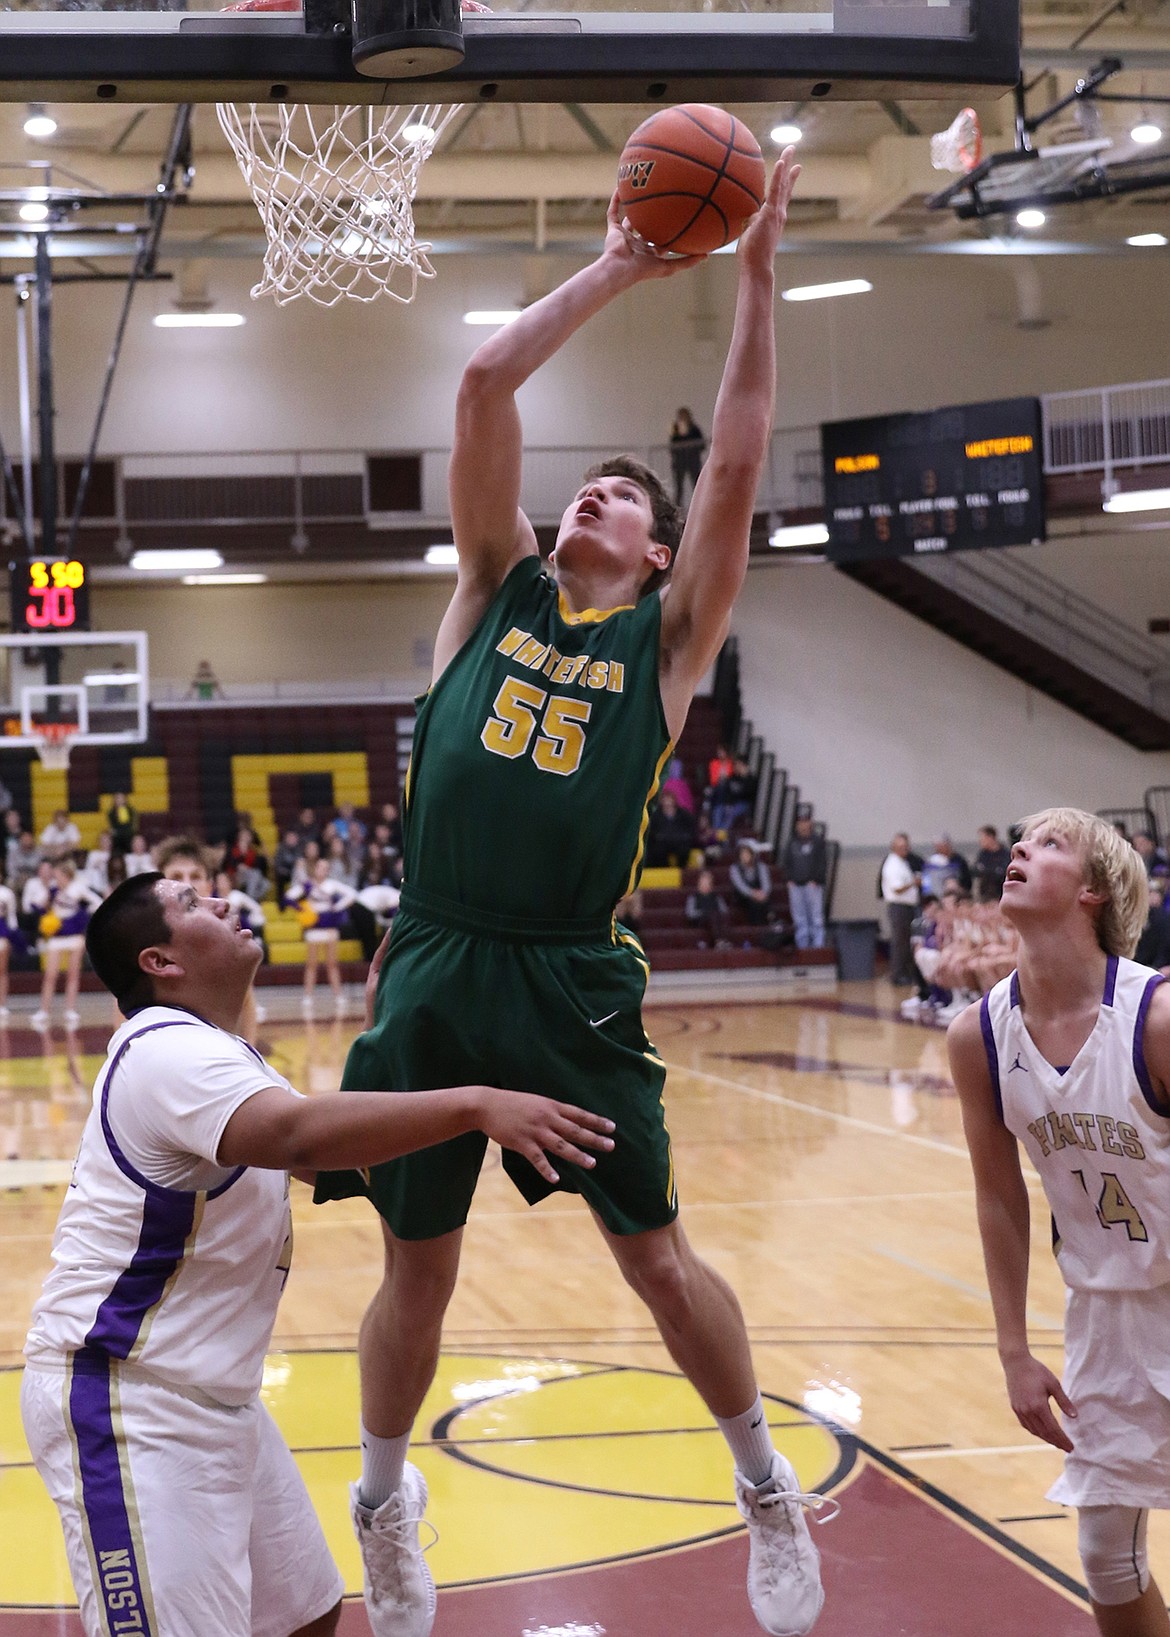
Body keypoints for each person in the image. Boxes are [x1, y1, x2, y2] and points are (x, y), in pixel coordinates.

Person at [314, 152, 836, 1637]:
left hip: (566, 976)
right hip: (435, 958)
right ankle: (380, 1498)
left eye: (623, 493)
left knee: (659, 1262)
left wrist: (751, 274)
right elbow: (483, 387)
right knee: (417, 1271)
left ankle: (758, 1485)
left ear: (659, 553)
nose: (594, 488)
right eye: (586, 482)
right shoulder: (492, 584)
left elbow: (732, 460)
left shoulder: (664, 651)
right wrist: (617, 266)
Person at [21, 871, 615, 1637]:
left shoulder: (220, 1055)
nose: (227, 903)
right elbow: (300, 1135)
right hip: (126, 1399)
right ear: (160, 961)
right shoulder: (163, 1054)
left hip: (214, 1397)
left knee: (305, 1614)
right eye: (195, 905)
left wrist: (387, 1030)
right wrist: (476, 1102)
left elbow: (340, 1164)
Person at [949, 807, 1170, 1637]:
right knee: (1108, 1554)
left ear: (1092, 891)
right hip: (1106, 1314)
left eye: (1049, 843)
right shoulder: (977, 1034)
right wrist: (1013, 1349)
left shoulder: (1154, 1019)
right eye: (1020, 838)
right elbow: (999, 1196)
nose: (1018, 848)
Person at [31, 860, 103, 1029]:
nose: (57, 879)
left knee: (73, 974)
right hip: (56, 937)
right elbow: (36, 905)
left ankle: (70, 1010)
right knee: (50, 975)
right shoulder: (53, 890)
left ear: (67, 875)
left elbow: (97, 902)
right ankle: (44, 1011)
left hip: (74, 937)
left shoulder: (78, 889)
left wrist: (82, 917)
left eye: (59, 876)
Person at [286, 856, 358, 1011]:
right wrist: (302, 909)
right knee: (311, 964)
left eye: (325, 868)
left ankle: (338, 995)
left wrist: (337, 907)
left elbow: (352, 894)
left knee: (332, 964)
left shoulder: (332, 885)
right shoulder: (308, 885)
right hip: (313, 927)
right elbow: (289, 897)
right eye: (320, 867)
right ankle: (308, 996)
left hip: (330, 927)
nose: (322, 870)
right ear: (315, 868)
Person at [782, 813, 827, 951]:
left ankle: (817, 946)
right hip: (795, 885)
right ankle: (803, 947)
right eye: (800, 823)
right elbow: (787, 862)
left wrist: (816, 879)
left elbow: (822, 863)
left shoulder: (817, 842)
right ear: (797, 825)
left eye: (805, 822)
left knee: (816, 918)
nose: (803, 826)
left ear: (810, 824)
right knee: (799, 918)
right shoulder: (792, 842)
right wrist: (789, 879)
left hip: (812, 885)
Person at [881, 832, 920, 986]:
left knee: (905, 941)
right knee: (900, 941)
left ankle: (905, 973)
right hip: (899, 907)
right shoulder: (893, 864)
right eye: (902, 847)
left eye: (907, 846)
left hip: (906, 906)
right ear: (894, 848)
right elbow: (897, 888)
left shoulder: (902, 862)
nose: (906, 849)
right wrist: (914, 883)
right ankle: (898, 975)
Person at [644, 788, 697, 869]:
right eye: (665, 799)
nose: (668, 802)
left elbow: (690, 827)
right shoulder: (656, 816)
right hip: (662, 843)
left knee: (684, 850)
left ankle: (682, 869)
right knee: (658, 851)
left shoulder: (683, 814)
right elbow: (652, 832)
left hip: (679, 841)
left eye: (669, 799)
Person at [669, 406, 706, 507]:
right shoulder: (675, 429)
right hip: (680, 462)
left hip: (693, 461)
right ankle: (678, 510)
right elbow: (672, 444)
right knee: (679, 487)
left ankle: (700, 507)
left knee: (697, 485)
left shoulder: (694, 429)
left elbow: (702, 445)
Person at [685, 867, 728, 948]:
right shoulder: (693, 897)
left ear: (711, 885)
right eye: (703, 883)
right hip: (699, 920)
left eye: (707, 883)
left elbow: (724, 911)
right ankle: (719, 941)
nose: (705, 885)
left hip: (716, 919)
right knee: (711, 916)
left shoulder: (717, 897)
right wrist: (704, 912)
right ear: (698, 884)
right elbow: (690, 914)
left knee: (716, 917)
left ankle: (721, 941)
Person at [971, 824, 1012, 903]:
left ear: (991, 838)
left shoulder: (1005, 854)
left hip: (1000, 892)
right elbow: (975, 870)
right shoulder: (982, 854)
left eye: (982, 838)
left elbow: (1003, 872)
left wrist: (988, 871)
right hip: (985, 893)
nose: (980, 841)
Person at [106, 792, 137, 857]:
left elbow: (130, 827)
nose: (120, 800)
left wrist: (119, 832)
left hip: (128, 836)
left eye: (121, 798)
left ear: (125, 799)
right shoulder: (111, 813)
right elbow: (112, 829)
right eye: (118, 798)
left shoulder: (131, 811)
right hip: (117, 839)